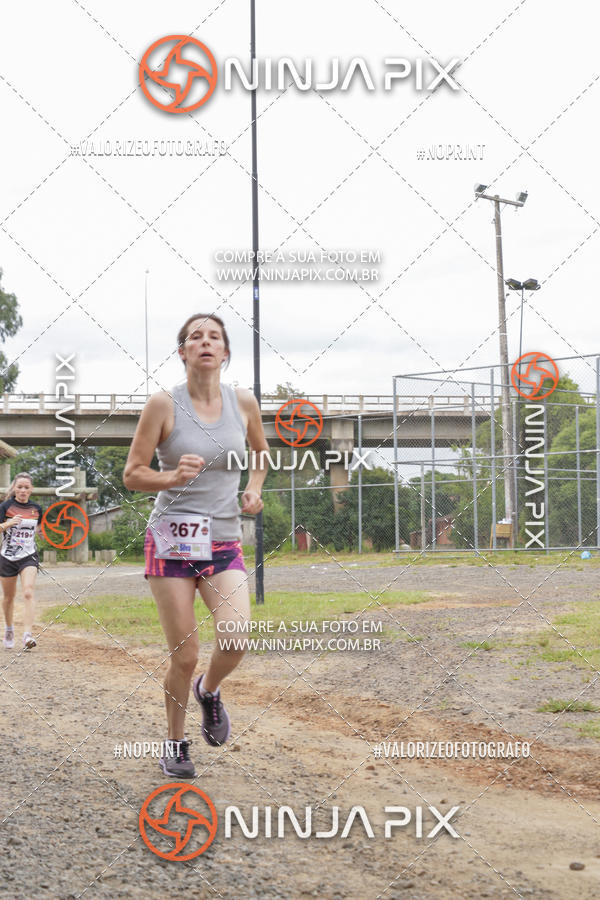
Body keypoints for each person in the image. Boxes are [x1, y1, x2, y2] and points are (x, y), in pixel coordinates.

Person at [123, 313, 268, 778]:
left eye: (215, 337)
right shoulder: (163, 405)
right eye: (194, 337)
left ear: (225, 353)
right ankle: (175, 743)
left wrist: (255, 486)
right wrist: (170, 476)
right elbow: (132, 475)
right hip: (172, 538)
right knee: (183, 655)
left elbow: (261, 453)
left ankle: (210, 689)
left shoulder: (243, 402)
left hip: (223, 537)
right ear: (183, 352)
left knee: (235, 637)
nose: (205, 342)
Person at [0, 472, 43, 650]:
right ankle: (9, 629)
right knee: (9, 597)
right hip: (8, 557)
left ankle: (27, 635)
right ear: (14, 489)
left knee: (28, 592)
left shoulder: (37, 509)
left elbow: (38, 529)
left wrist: (42, 533)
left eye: (26, 487)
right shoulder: (5, 506)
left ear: (31, 489)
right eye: (20, 487)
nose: (23, 490)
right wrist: (8, 524)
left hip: (28, 556)